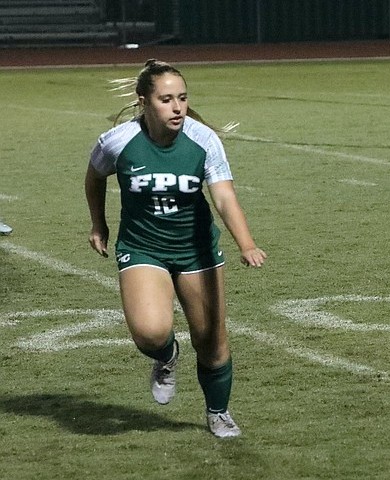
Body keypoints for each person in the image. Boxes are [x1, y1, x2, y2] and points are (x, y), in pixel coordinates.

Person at [85, 59, 266, 438]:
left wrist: (246, 243)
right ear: (143, 102)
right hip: (142, 248)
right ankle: (167, 356)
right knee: (150, 333)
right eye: (166, 100)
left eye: (182, 98)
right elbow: (95, 176)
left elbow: (224, 197)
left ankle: (218, 413)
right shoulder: (117, 141)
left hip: (196, 251)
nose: (178, 107)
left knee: (211, 342)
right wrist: (98, 223)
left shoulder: (203, 140)